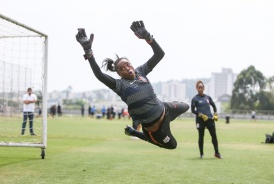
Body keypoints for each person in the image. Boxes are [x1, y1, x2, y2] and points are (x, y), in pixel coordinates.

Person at [76, 20, 189, 149]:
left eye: (128, 64)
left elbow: (159, 54)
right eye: (122, 68)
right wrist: (88, 51)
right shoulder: (120, 85)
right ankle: (136, 132)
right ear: (119, 73)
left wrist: (148, 37)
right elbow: (99, 75)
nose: (127, 68)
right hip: (156, 129)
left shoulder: (141, 71)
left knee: (186, 106)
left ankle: (161, 107)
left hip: (165, 110)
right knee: (172, 145)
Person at [191, 81, 222, 158]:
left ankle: (217, 153)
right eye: (199, 87)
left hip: (209, 119)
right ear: (197, 88)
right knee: (201, 136)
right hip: (200, 120)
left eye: (202, 87)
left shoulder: (208, 98)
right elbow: (193, 110)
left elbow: (214, 106)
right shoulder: (195, 99)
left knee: (214, 136)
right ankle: (201, 154)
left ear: (204, 88)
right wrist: (200, 115)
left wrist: (215, 114)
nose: (200, 89)